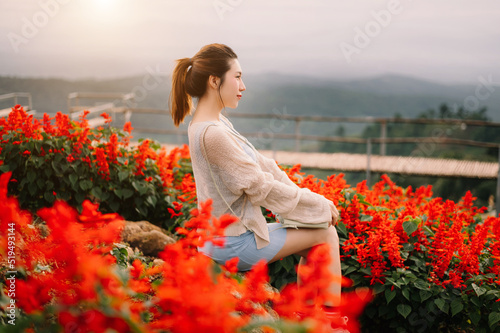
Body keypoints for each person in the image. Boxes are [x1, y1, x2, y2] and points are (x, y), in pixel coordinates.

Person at [169, 43, 345, 327]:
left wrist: (312, 203)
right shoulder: (212, 133)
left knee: (318, 236)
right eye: (237, 77)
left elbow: (263, 167)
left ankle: (310, 319)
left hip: (227, 236)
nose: (243, 85)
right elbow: (259, 186)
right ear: (214, 81)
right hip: (232, 242)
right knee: (326, 236)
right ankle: (332, 324)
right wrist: (318, 207)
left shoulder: (213, 123)